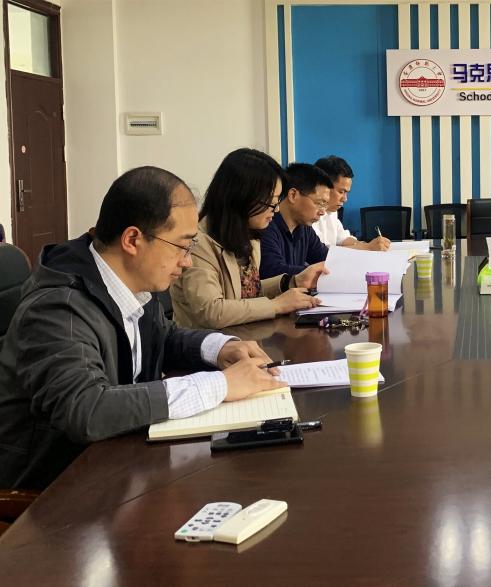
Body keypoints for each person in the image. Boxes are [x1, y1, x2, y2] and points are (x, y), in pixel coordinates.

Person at [0, 166, 285, 489]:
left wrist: (219, 348)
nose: (188, 260)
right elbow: (86, 409)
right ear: (133, 240)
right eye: (182, 246)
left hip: (119, 461)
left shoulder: (129, 282)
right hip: (53, 490)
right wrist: (219, 386)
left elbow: (163, 336)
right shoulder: (58, 309)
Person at [170, 148, 326, 329]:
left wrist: (291, 282)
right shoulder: (198, 242)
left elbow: (245, 294)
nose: (276, 210)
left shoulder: (249, 236)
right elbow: (211, 311)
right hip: (205, 343)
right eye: (271, 202)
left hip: (242, 337)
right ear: (243, 198)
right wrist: (276, 305)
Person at [259, 162, 332, 279]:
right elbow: (273, 271)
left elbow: (327, 259)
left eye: (325, 205)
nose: (322, 212)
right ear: (293, 195)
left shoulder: (305, 228)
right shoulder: (265, 225)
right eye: (319, 203)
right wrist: (312, 271)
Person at [312, 155, 391, 251]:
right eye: (341, 192)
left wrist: (364, 244)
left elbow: (342, 237)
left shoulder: (332, 211)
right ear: (323, 187)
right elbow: (321, 252)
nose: (345, 199)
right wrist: (367, 247)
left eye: (346, 193)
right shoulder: (309, 214)